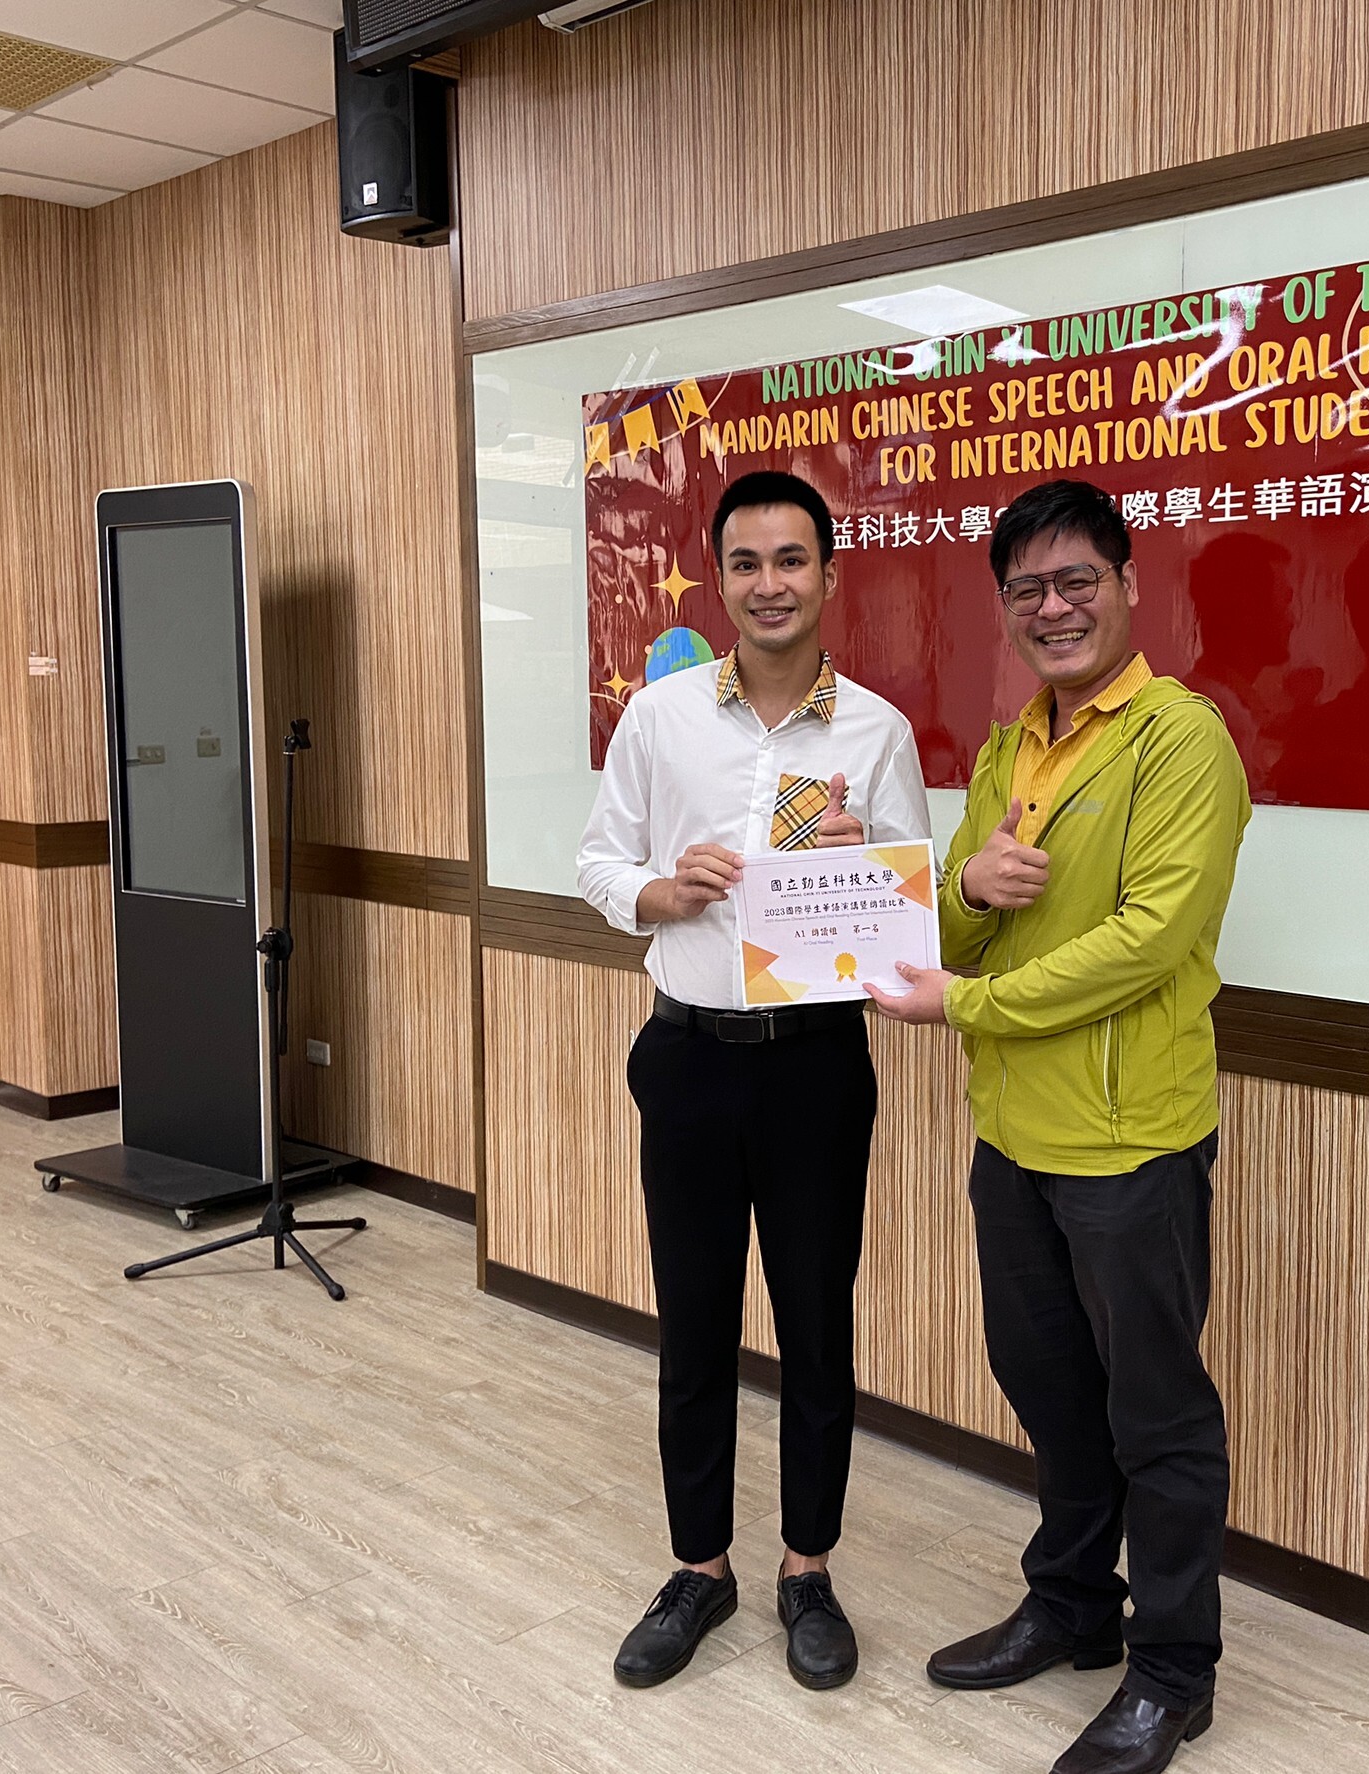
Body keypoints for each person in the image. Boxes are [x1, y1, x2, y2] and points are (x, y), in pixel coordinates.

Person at [868, 479, 1251, 1774]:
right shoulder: (1005, 745)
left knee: (1158, 1413)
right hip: (1014, 1135)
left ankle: (1172, 1668)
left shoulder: (1180, 740)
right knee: (1048, 1388)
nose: (1054, 606)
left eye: (1077, 578)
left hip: (1134, 1141)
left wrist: (967, 992)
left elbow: (1149, 945)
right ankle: (1075, 1602)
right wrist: (969, 884)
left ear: (1130, 585)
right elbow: (957, 926)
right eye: (1028, 588)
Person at [578, 469, 929, 1693]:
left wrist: (869, 880)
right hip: (685, 1057)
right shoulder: (660, 716)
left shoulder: (876, 732)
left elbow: (904, 928)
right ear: (719, 578)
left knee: (817, 1324)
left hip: (818, 1066)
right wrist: (657, 894)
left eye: (793, 560)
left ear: (831, 575)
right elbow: (598, 858)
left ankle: (808, 1568)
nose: (769, 583)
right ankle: (700, 1569)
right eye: (746, 562)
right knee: (696, 1325)